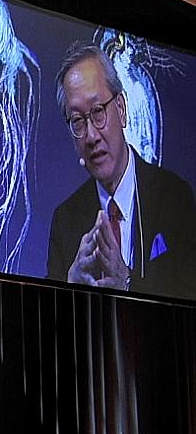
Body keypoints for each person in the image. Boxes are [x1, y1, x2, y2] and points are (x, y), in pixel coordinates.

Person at [45, 42, 196, 301]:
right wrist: (69, 286)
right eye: (78, 121)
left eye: (98, 112)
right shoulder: (65, 221)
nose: (91, 136)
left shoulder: (174, 197)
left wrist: (126, 282)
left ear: (122, 109)